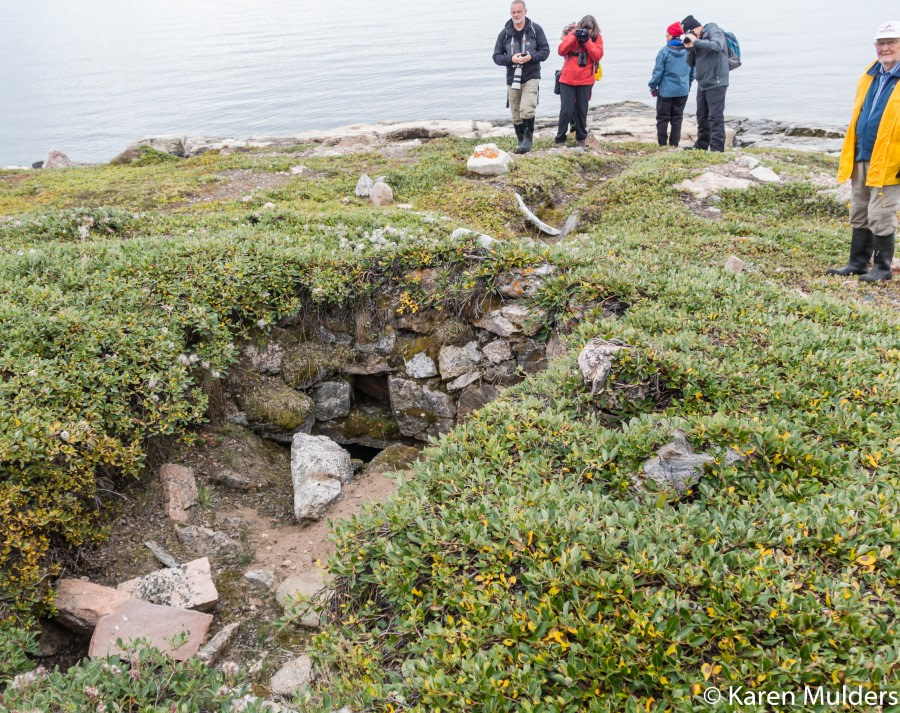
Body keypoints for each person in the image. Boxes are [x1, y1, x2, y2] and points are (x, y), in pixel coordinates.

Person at [827, 20, 900, 282]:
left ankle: (882, 269)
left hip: (891, 161)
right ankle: (857, 263)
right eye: (881, 43)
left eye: (891, 42)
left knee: (881, 213)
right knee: (859, 209)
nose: (885, 48)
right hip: (861, 156)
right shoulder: (870, 75)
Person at [493, 1, 550, 154]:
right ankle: (520, 139)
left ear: (525, 11)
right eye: (514, 13)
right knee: (515, 112)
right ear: (510, 13)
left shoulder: (535, 30)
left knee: (527, 108)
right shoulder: (504, 33)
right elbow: (496, 57)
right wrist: (511, 59)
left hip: (531, 75)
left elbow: (545, 52)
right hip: (512, 78)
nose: (516, 15)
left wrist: (530, 57)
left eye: (519, 12)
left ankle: (528, 140)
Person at [680, 14, 729, 152]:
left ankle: (717, 150)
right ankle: (701, 146)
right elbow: (691, 63)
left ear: (696, 27)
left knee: (715, 117)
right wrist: (689, 48)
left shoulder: (714, 31)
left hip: (717, 81)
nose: (691, 35)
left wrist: (696, 41)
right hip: (703, 83)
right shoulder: (698, 39)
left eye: (691, 32)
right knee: (702, 117)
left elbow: (717, 46)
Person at [554, 16, 604, 148]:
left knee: (582, 110)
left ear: (593, 29)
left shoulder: (596, 38)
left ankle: (581, 138)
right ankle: (560, 139)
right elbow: (561, 50)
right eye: (584, 29)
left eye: (588, 29)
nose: (585, 31)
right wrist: (574, 37)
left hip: (585, 80)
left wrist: (587, 41)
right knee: (566, 110)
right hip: (567, 79)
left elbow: (597, 55)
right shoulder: (572, 34)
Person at [649, 21, 693, 147]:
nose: (665, 36)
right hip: (682, 91)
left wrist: (653, 86)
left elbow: (658, 73)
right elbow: (692, 72)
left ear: (672, 35)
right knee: (677, 118)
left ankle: (662, 145)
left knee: (662, 118)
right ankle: (674, 145)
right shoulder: (688, 51)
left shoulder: (664, 52)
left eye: (667, 34)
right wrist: (687, 85)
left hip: (666, 92)